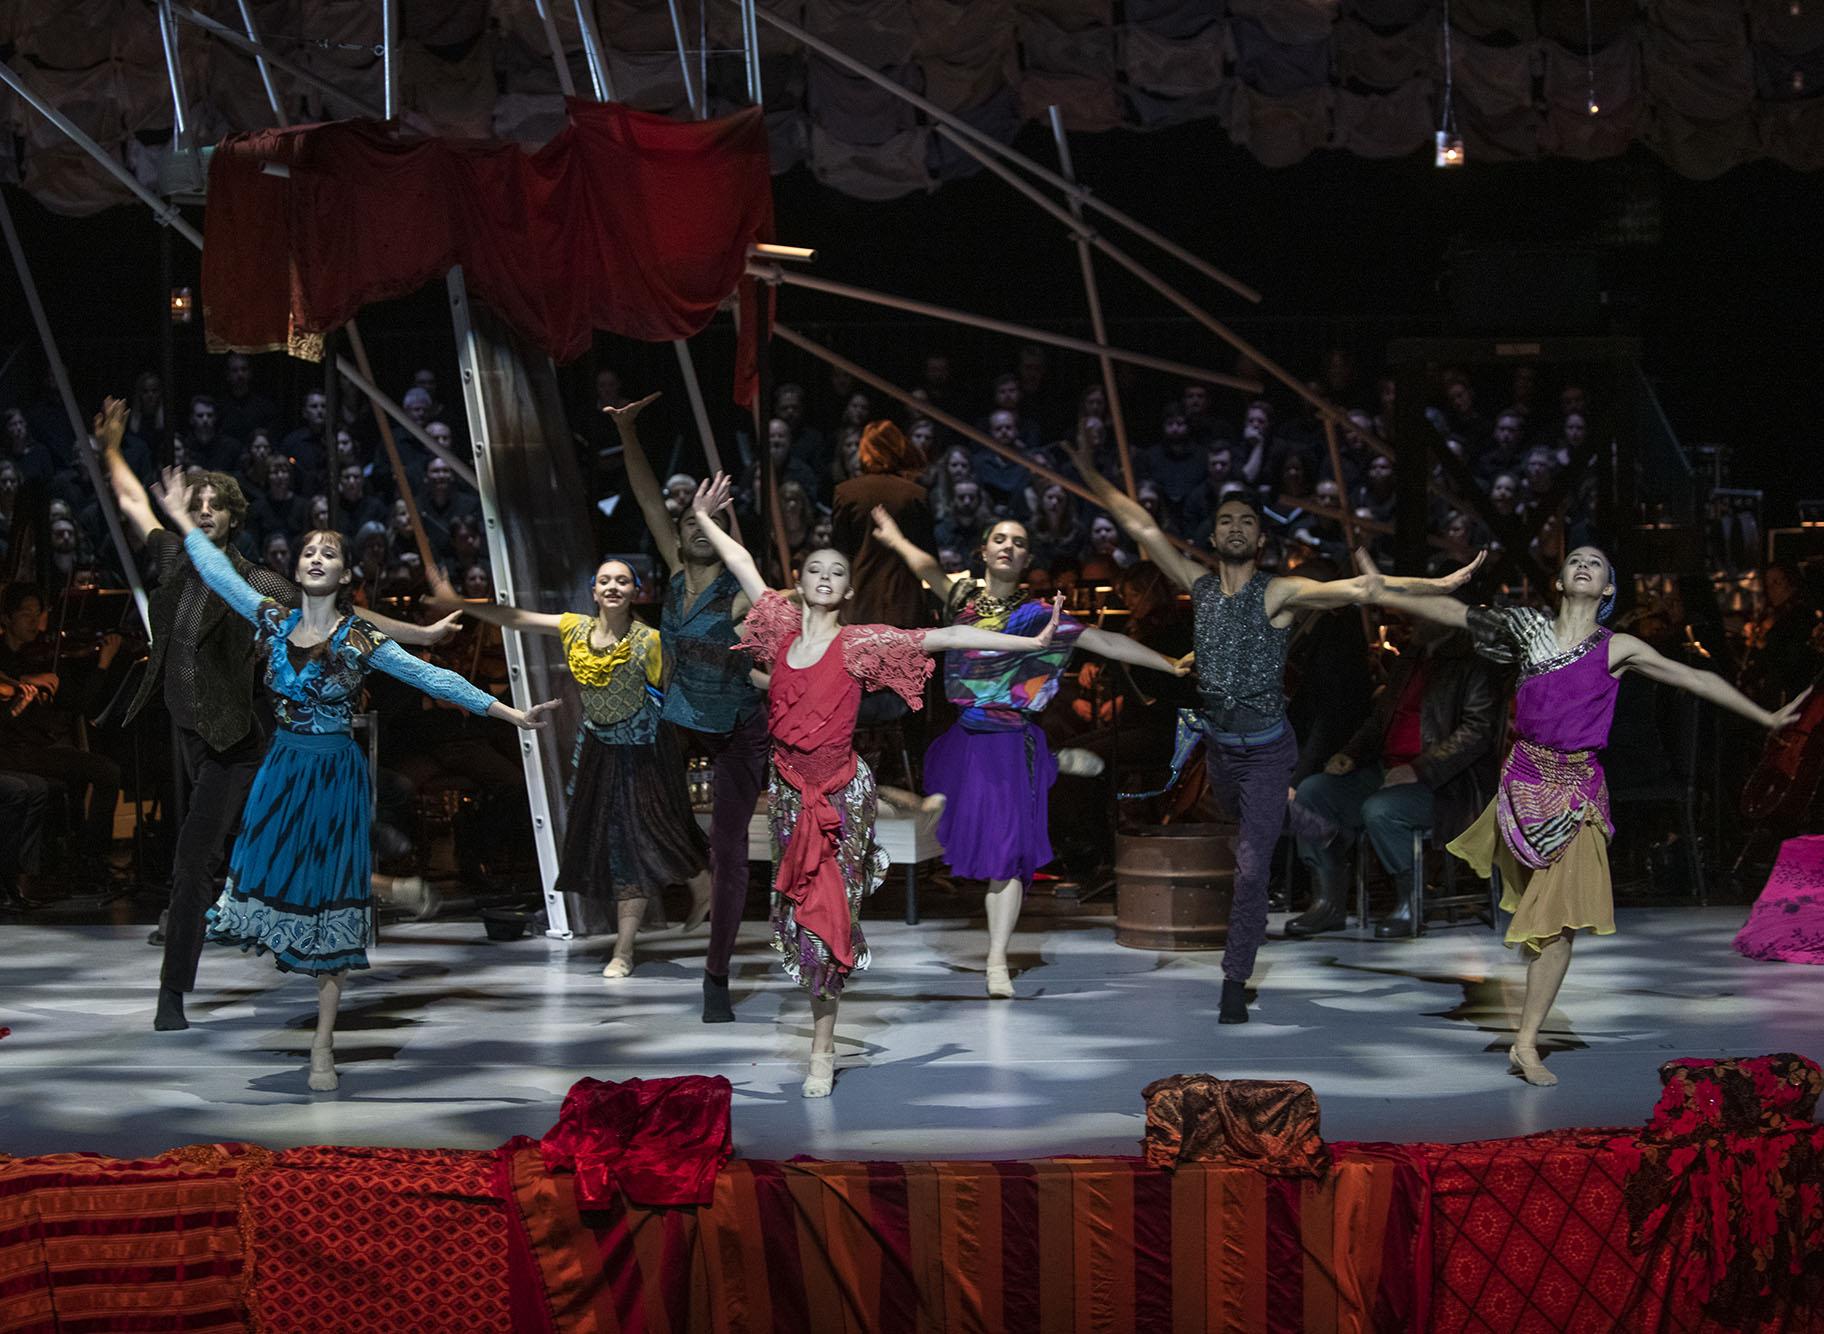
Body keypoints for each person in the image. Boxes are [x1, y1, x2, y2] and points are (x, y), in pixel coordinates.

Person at [150, 468, 554, 1090]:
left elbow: (434, 680)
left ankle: (322, 1044)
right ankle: (388, 889)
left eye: (328, 553)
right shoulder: (271, 621)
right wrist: (181, 518)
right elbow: (220, 574)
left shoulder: (360, 639)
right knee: (260, 880)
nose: (315, 556)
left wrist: (514, 715)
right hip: (282, 769)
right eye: (308, 550)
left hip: (334, 775)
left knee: (333, 909)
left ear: (344, 577)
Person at [1355, 546, 1805, 1086]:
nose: (1585, 565)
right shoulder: (1529, 631)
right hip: (1522, 787)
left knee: (1560, 926)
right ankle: (1528, 1015)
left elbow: (1693, 678)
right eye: (1574, 561)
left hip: (1579, 796)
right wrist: (1387, 592)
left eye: (1597, 563)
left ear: (1609, 590)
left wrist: (1765, 714)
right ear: (1562, 583)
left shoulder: (1618, 647)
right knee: (1540, 931)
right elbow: (1454, 612)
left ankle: (1525, 1044)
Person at [1071, 437, 1480, 1023]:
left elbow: (1359, 590)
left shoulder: (1279, 592)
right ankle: (1309, 820)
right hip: (1219, 748)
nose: (1235, 528)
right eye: (1225, 521)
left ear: (1261, 540)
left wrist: (1435, 587)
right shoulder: (1200, 586)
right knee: (1251, 818)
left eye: (1247, 522)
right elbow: (1142, 527)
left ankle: (1235, 979)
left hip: (1266, 750)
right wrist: (1095, 475)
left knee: (1252, 864)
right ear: (1212, 538)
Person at [688, 472, 1062, 1097]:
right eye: (816, 570)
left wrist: (1021, 640)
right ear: (802, 584)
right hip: (786, 793)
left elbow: (943, 635)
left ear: (849, 588)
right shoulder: (778, 628)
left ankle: (822, 1049)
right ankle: (820, 1022)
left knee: (829, 916)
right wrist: (704, 518)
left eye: (838, 571)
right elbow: (741, 559)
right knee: (799, 921)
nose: (827, 577)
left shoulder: (864, 645)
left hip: (840, 793)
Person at [96, 396, 458, 1033]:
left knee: (193, 864)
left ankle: (171, 996)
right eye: (195, 507)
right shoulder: (175, 556)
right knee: (246, 855)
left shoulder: (259, 584)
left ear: (233, 522)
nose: (202, 515)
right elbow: (130, 500)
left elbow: (341, 618)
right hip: (183, 728)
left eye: (215, 509)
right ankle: (378, 878)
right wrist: (112, 449)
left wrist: (421, 639)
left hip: (236, 741)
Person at [870, 509, 1190, 995]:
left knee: (1007, 855)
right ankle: (1051, 766)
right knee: (948, 822)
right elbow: (926, 568)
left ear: (1026, 558)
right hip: (963, 741)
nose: (1007, 546)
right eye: (998, 538)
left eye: (1017, 542)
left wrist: (1169, 664)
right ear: (983, 552)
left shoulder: (1042, 616)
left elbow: (1106, 642)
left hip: (1010, 738)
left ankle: (997, 959)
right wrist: (894, 535)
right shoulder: (962, 601)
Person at [426, 556, 710, 979]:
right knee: (618, 849)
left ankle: (637, 938)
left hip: (643, 751)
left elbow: (679, 691)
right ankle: (684, 892)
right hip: (598, 750)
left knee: (646, 837)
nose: (613, 587)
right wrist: (462, 602)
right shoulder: (574, 627)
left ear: (636, 592)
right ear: (594, 592)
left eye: (622, 581)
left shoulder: (649, 640)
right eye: (604, 581)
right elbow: (516, 617)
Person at [604, 394, 768, 1023]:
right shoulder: (673, 574)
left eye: (712, 525)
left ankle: (717, 974)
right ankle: (682, 880)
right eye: (691, 524)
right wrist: (627, 432)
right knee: (629, 794)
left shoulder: (737, 596)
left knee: (730, 852)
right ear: (678, 535)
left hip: (737, 727)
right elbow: (650, 499)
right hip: (677, 714)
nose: (699, 531)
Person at [1288, 613, 1497, 938]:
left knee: (1382, 809)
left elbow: (1477, 733)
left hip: (1446, 784)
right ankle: (1327, 901)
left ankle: (1410, 901)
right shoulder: (1410, 658)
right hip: (1387, 772)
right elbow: (1378, 719)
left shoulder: (1472, 662)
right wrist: (1350, 753)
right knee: (1312, 793)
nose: (1412, 614)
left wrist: (1419, 768)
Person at [830, 421, 932, 629]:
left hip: (859, 601)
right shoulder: (915, 494)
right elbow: (928, 552)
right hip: (906, 602)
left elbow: (840, 553)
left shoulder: (846, 493)